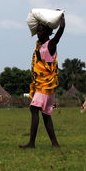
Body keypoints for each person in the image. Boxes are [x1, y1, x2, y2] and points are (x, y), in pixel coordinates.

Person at [20, 14, 65, 148]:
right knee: (45, 114)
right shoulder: (40, 46)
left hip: (46, 86)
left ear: (48, 32)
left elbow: (60, 33)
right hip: (42, 86)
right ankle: (55, 143)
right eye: (38, 30)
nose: (38, 33)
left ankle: (32, 143)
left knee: (34, 109)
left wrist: (62, 21)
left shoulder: (50, 45)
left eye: (41, 31)